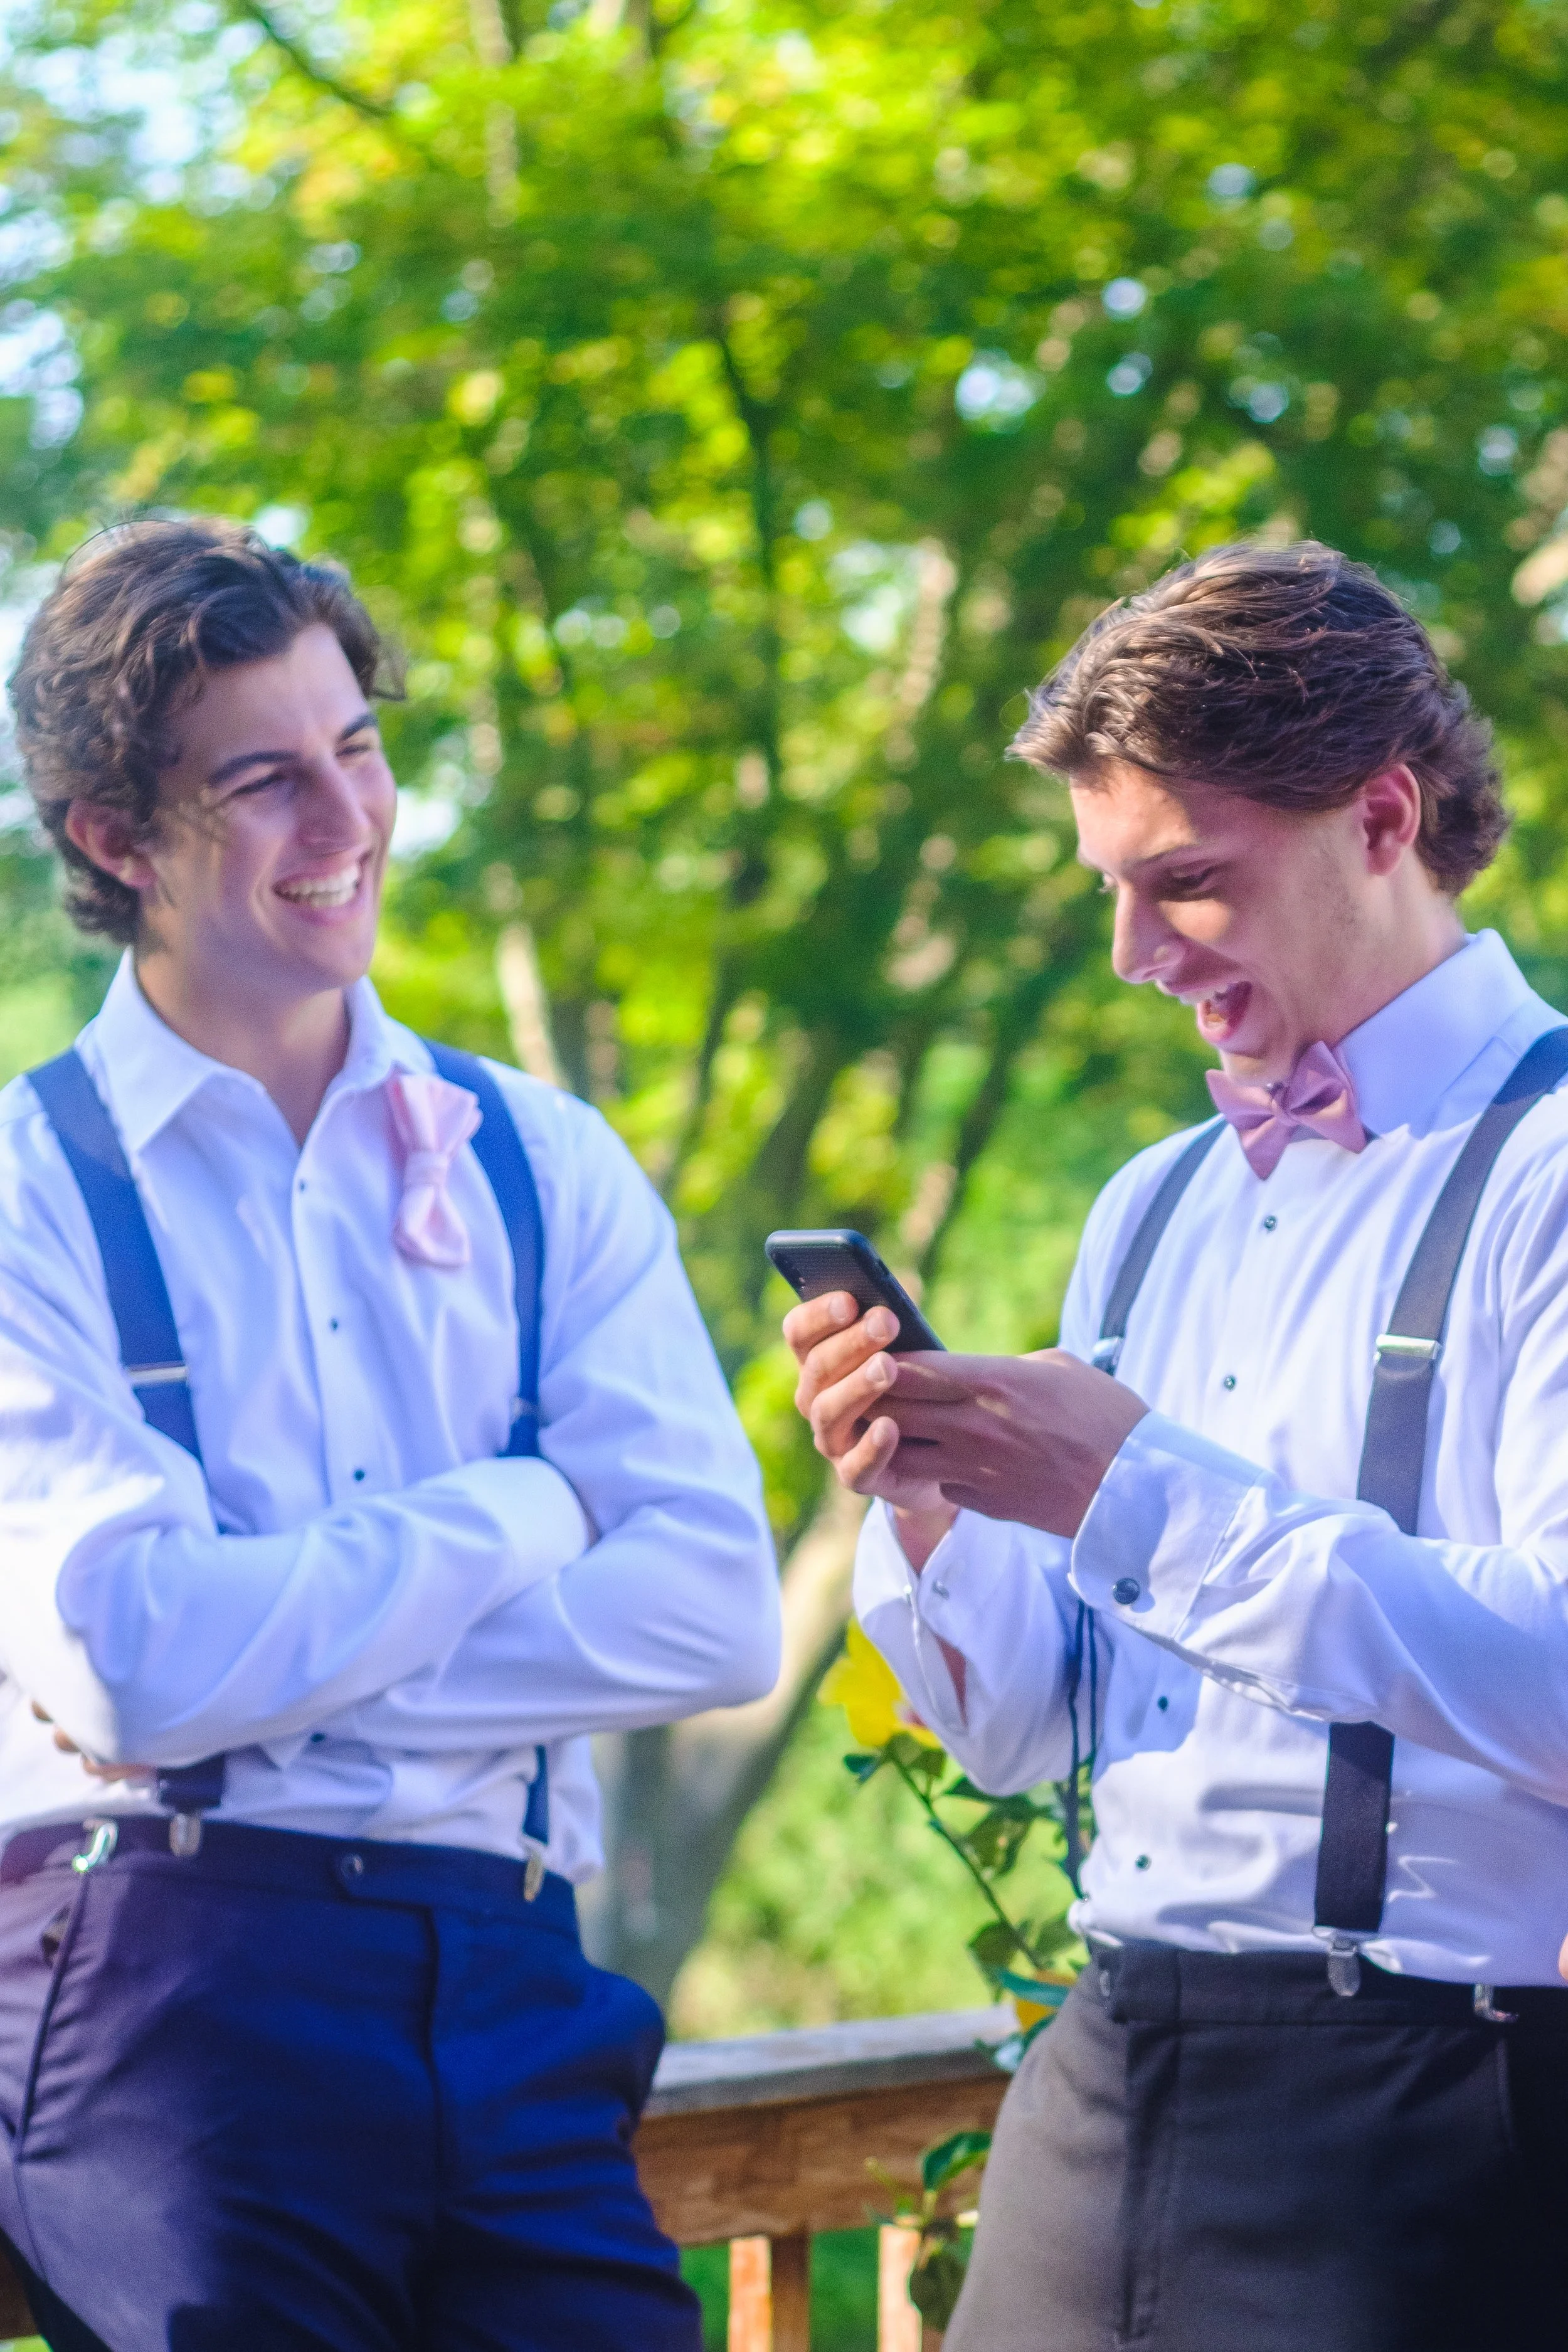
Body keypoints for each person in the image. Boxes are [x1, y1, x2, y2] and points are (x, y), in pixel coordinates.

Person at [0, 516, 780, 2352]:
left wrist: (258, 1662)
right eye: (264, 779)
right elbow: (123, 1664)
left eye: (357, 748)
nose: (347, 824)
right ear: (116, 837)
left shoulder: (543, 1159)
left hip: (515, 1973)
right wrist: (520, 1506)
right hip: (177, 1988)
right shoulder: (25, 1186)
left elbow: (713, 1614)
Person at [787, 541, 1568, 2352]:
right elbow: (1015, 1729)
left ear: (1382, 816)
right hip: (1109, 2063)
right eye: (1108, 891)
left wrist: (1135, 1494)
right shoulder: (1147, 1207)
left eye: (1187, 884)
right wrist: (931, 1502)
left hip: (1435, 2110)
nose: (1136, 958)